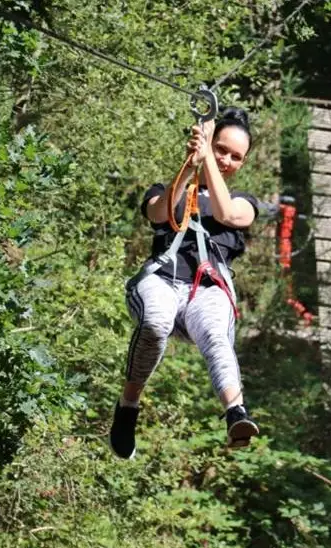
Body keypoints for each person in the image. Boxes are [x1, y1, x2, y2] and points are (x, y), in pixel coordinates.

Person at [110, 107, 261, 459]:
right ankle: (128, 406)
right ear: (210, 145)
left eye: (235, 157)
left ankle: (236, 412)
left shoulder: (243, 203)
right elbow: (159, 213)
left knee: (215, 334)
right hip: (161, 280)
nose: (226, 160)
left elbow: (225, 214)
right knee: (155, 321)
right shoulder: (167, 189)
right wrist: (191, 163)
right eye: (221, 149)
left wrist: (207, 154)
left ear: (243, 164)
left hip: (207, 291)